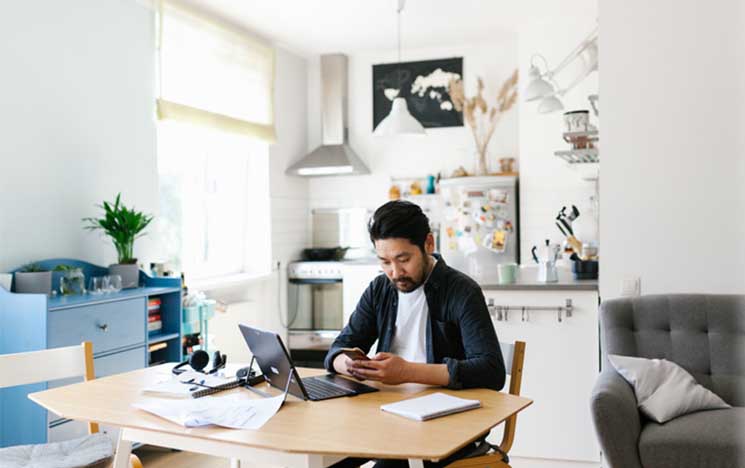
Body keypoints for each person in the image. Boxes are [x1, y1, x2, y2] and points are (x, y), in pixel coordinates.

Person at [324, 200, 506, 468]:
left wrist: (407, 372)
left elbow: (491, 371)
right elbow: (340, 347)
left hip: (445, 425)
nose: (395, 273)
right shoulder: (380, 289)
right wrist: (348, 363)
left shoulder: (462, 291)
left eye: (404, 259)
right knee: (326, 459)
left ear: (428, 244)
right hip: (385, 415)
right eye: (385, 261)